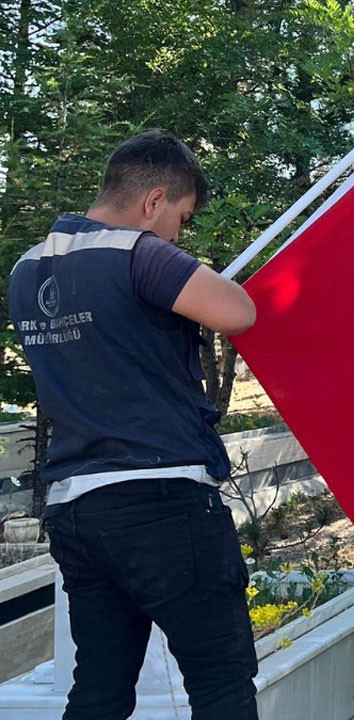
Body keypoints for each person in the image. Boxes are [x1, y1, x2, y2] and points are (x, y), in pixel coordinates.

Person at [9, 130, 260, 720]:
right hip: (162, 498)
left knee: (99, 688)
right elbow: (238, 311)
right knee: (221, 680)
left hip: (76, 508)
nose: (179, 232)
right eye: (181, 216)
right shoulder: (136, 252)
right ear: (153, 200)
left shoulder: (28, 268)